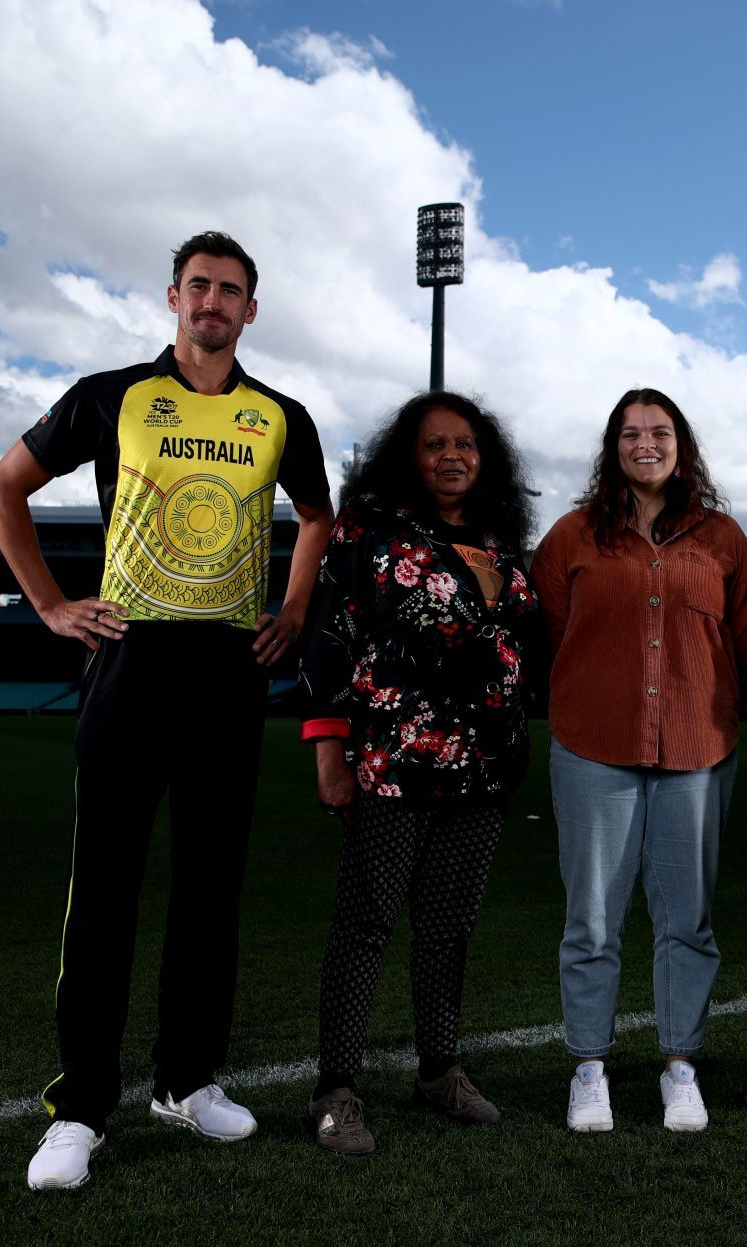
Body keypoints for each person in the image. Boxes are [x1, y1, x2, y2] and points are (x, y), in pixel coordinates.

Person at [0, 231, 334, 1191]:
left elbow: (316, 517)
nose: (212, 302)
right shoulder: (113, 396)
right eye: (199, 287)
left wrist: (295, 608)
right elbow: (4, 487)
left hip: (228, 666)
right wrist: (54, 606)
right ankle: (81, 1107)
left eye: (230, 291)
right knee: (103, 886)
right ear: (172, 299)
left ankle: (186, 1080)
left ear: (251, 311)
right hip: (128, 658)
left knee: (210, 887)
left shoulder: (282, 416)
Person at [298, 391, 539, 1156]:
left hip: (485, 764)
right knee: (367, 922)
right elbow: (327, 635)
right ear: (410, 455)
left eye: (464, 443)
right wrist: (327, 745)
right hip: (392, 760)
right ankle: (334, 1088)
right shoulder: (369, 528)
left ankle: (439, 1071)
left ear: (485, 454)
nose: (451, 456)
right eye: (434, 445)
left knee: (447, 926)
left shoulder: (502, 536)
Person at [532, 389, 747, 1134]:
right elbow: (552, 630)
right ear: (612, 448)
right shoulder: (571, 535)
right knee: (592, 919)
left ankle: (680, 1066)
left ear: (680, 445)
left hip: (696, 748)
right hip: (594, 746)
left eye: (659, 431)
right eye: (630, 433)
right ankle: (590, 1069)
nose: (645, 443)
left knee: (687, 920)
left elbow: (744, 636)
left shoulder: (724, 537)